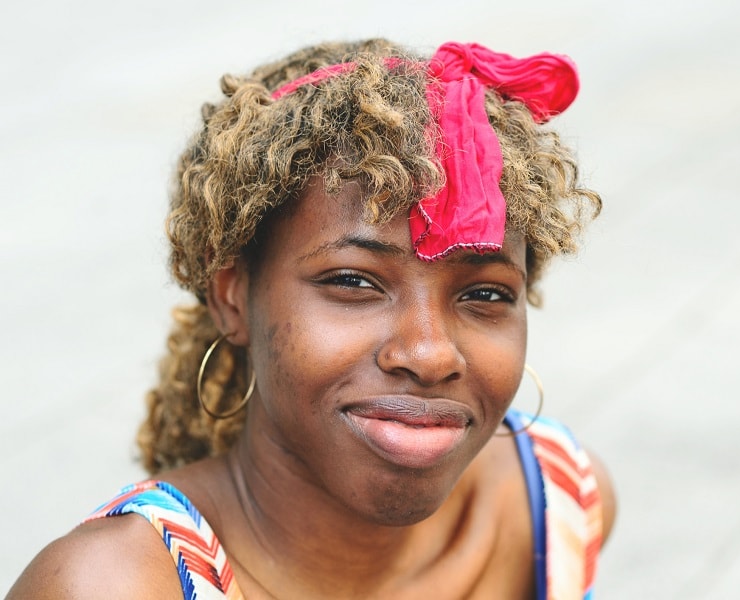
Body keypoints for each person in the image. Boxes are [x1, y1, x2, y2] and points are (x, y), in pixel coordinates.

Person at [8, 38, 615, 599]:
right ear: (233, 298)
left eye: (485, 295)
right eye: (353, 281)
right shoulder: (112, 586)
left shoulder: (560, 502)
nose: (430, 354)